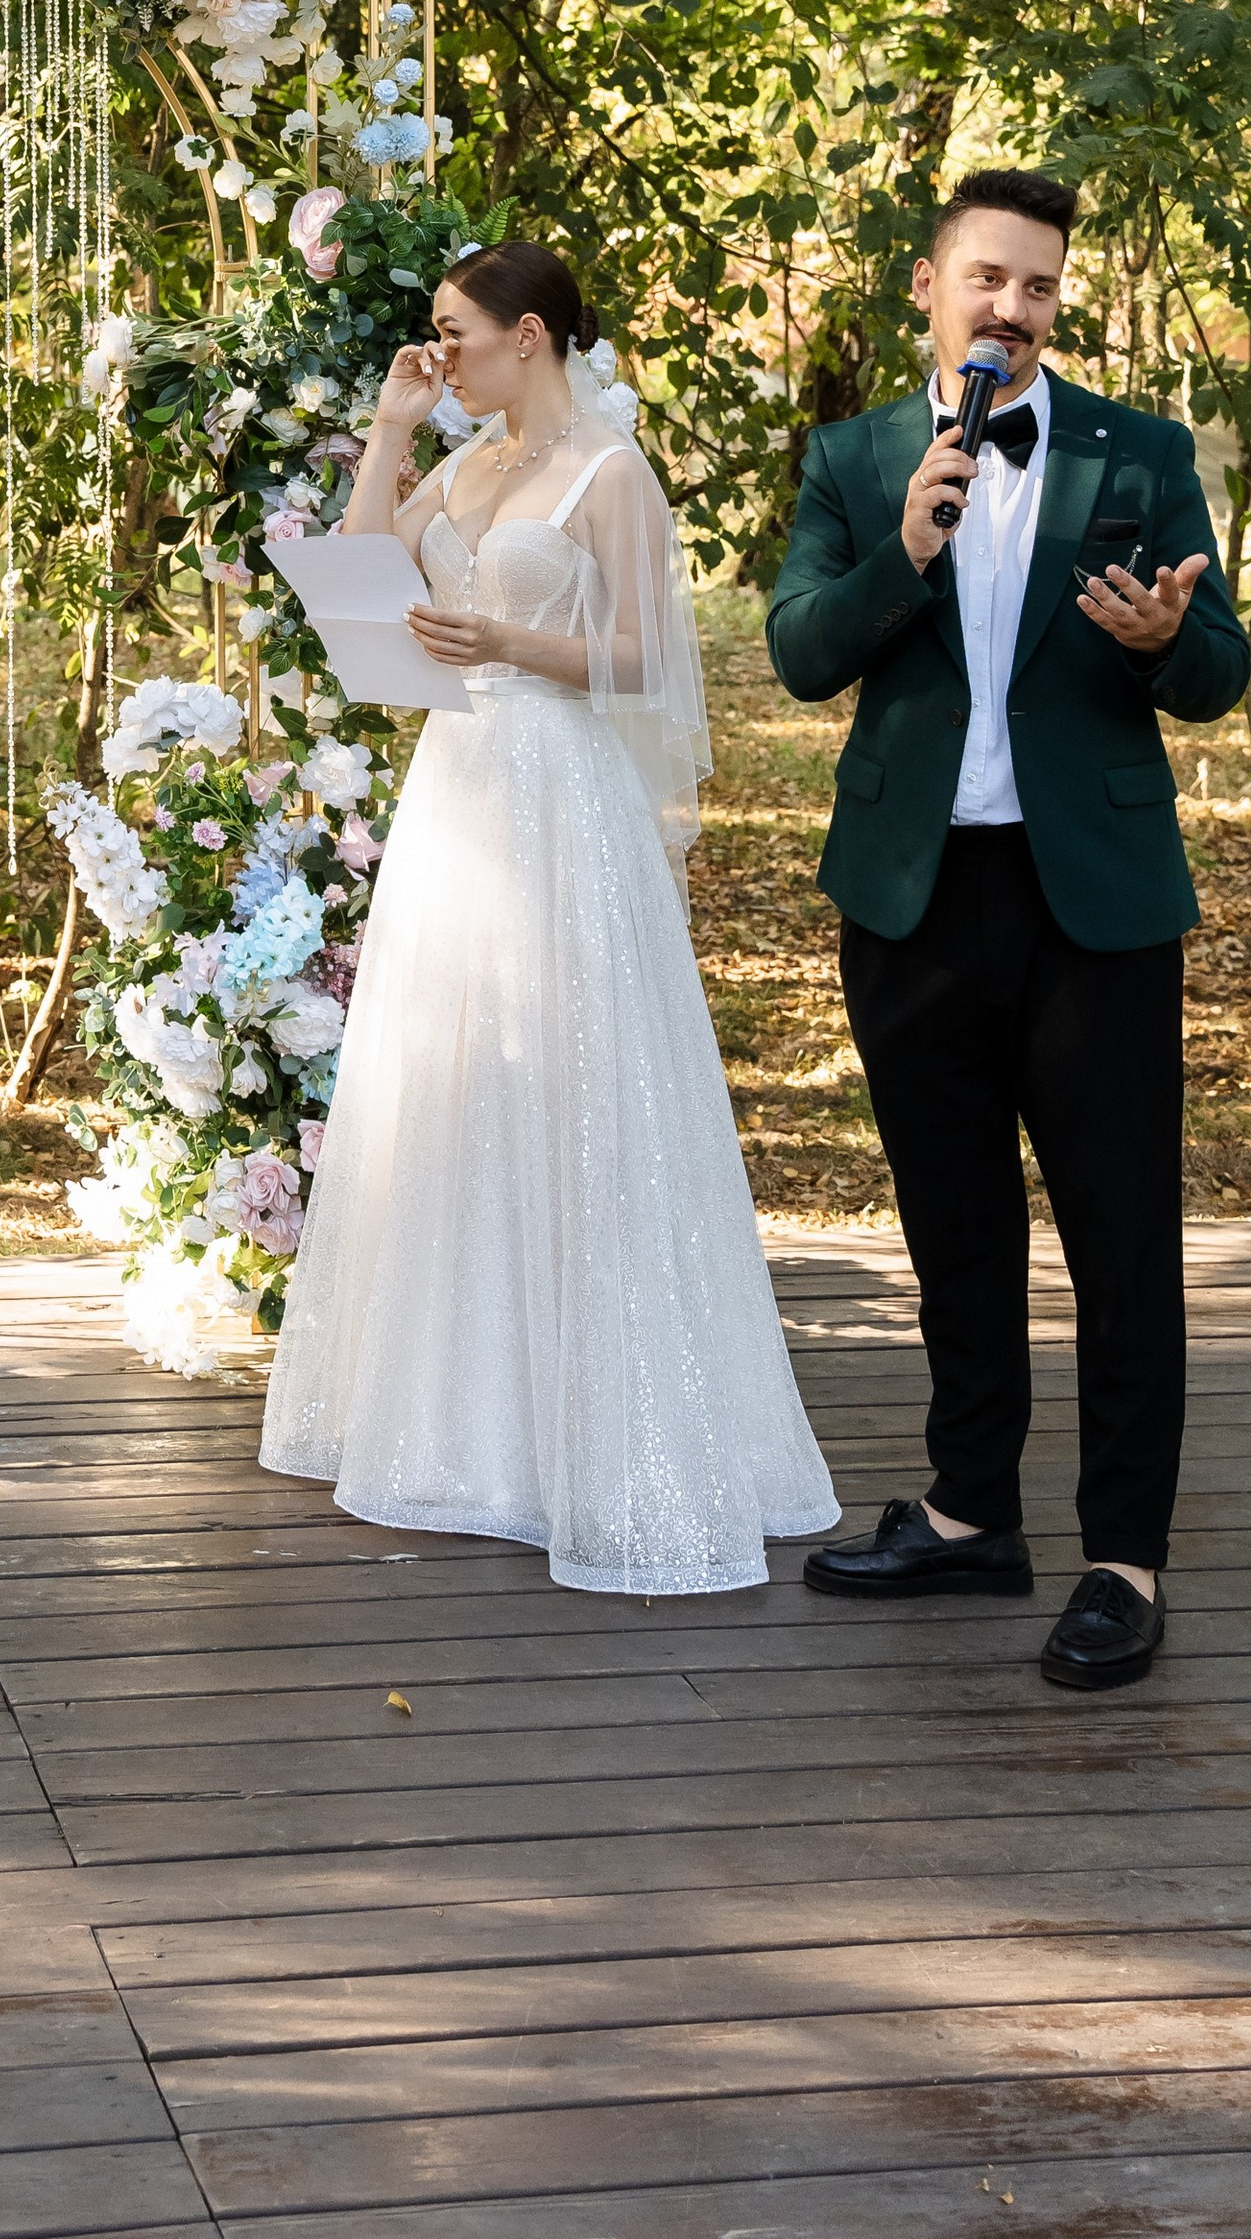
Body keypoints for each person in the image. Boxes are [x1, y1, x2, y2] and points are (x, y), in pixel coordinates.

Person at [260, 241, 835, 1594]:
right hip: (457, 795)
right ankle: (461, 1429)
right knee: (450, 1086)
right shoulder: (462, 469)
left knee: (578, 1091)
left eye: (453, 336)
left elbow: (646, 654)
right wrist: (394, 431)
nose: (439, 352)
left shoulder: (606, 473)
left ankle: (592, 1438)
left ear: (529, 335)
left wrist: (511, 644)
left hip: (561, 795)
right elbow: (358, 582)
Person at [767, 166, 1248, 1692]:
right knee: (952, 1226)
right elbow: (795, 654)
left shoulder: (1141, 452)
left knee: (1123, 1240)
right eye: (988, 278)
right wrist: (903, 554)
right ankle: (972, 1511)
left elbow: (1217, 667)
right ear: (931, 286)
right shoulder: (854, 458)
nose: (1013, 309)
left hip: (1091, 903)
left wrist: (1172, 642)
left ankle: (1124, 1558)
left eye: (1039, 287)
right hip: (912, 899)